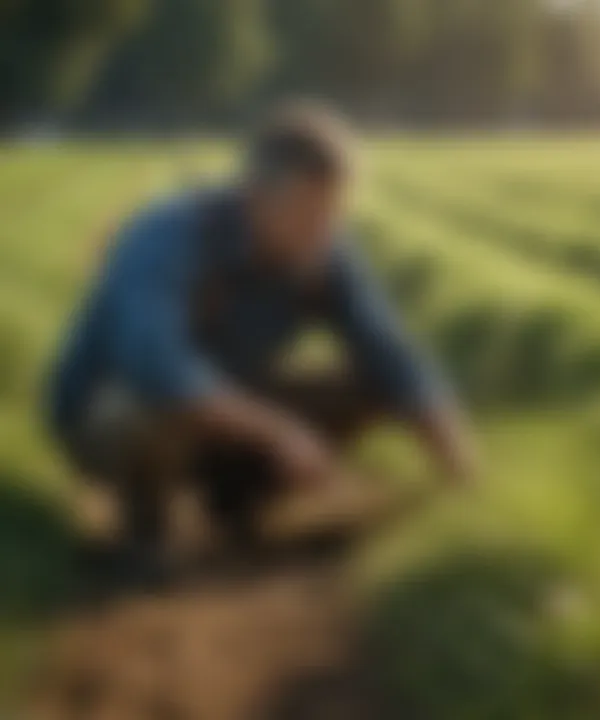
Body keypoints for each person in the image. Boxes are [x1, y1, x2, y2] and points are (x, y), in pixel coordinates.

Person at [46, 101, 474, 569]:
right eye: (310, 213)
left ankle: (237, 496)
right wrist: (277, 433)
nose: (324, 232)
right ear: (257, 197)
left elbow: (390, 354)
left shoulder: (323, 251)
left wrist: (461, 470)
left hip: (225, 403)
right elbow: (156, 364)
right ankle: (144, 530)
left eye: (334, 213)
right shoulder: (167, 232)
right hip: (106, 411)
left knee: (371, 384)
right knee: (153, 402)